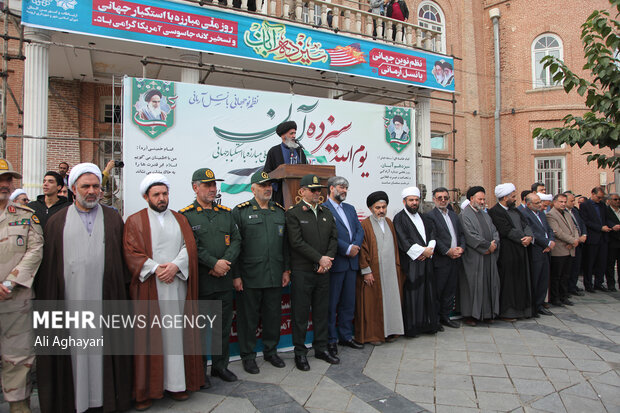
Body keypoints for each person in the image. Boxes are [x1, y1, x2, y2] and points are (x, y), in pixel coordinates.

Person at [35, 163, 132, 413]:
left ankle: (105, 400)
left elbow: (122, 263)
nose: (91, 191)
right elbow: (48, 270)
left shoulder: (112, 218)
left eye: (96, 186)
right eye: (85, 186)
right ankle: (74, 401)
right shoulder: (56, 222)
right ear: (72, 189)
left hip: (105, 301)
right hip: (70, 304)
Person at [123, 174, 204, 410]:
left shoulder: (180, 219)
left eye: (164, 194)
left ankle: (177, 385)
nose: (161, 198)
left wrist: (176, 266)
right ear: (146, 196)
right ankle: (147, 390)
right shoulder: (134, 221)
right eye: (156, 194)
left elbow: (188, 248)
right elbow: (130, 252)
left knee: (176, 336)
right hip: (150, 287)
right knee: (149, 339)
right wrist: (157, 268)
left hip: (176, 285)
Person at [180, 168, 241, 384]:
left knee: (222, 327)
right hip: (202, 282)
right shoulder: (185, 216)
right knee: (199, 329)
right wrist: (213, 263)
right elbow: (191, 246)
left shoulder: (226, 213)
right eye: (207, 185)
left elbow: (236, 240)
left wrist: (224, 263)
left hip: (223, 280)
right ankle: (200, 371)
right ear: (195, 187)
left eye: (214, 185)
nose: (212, 189)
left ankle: (220, 367)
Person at [232, 170, 290, 375]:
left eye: (270, 185)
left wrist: (285, 270)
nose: (268, 189)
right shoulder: (240, 211)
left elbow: (285, 245)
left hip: (275, 273)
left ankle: (270, 351)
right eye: (263, 185)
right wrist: (236, 275)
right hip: (250, 276)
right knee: (248, 318)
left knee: (273, 315)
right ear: (253, 188)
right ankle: (248, 356)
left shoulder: (279, 211)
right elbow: (235, 248)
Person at [0, 159, 44, 413]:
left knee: (18, 359)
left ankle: (19, 406)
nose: (6, 184)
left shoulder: (25, 216)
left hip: (15, 300)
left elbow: (35, 250)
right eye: (2, 179)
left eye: (9, 179)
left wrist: (9, 281)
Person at [286, 174, 339, 371]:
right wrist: (319, 259)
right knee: (300, 314)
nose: (317, 193)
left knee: (321, 311)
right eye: (313, 189)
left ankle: (321, 348)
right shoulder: (294, 213)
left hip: (323, 271)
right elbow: (296, 242)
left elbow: (334, 238)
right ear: (302, 191)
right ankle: (300, 353)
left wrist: (327, 260)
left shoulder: (326, 212)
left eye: (319, 190)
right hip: (302, 272)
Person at [322, 176, 365, 356]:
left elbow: (359, 230)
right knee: (332, 305)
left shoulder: (350, 208)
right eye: (341, 187)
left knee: (348, 303)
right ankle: (331, 340)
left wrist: (355, 246)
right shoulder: (324, 209)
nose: (344, 190)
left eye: (346, 188)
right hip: (337, 263)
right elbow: (326, 235)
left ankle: (346, 336)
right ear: (331, 188)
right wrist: (346, 248)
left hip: (351, 264)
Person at [356, 191, 404, 345]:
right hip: (373, 273)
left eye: (383, 207)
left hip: (390, 272)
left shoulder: (390, 222)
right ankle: (374, 335)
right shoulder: (364, 225)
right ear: (371, 209)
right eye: (377, 208)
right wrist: (366, 271)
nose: (381, 210)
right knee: (373, 304)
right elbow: (362, 250)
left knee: (391, 303)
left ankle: (391, 331)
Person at [393, 186, 439, 336]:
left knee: (428, 293)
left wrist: (429, 250)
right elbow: (403, 240)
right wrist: (421, 251)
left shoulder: (424, 217)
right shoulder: (399, 218)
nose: (414, 203)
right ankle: (413, 328)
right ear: (404, 201)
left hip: (426, 261)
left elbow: (432, 234)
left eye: (416, 200)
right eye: (411, 200)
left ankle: (428, 325)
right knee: (414, 295)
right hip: (412, 263)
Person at [488, 183, 533, 321]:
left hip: (521, 251)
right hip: (507, 253)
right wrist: (522, 238)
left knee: (521, 282)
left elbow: (526, 225)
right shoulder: (495, 211)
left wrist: (529, 237)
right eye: (513, 196)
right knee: (509, 283)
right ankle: (508, 313)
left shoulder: (516, 211)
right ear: (505, 197)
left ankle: (523, 310)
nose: (515, 199)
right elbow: (505, 230)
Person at [459, 186, 500, 326]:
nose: (482, 202)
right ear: (471, 199)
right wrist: (487, 246)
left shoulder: (485, 214)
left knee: (489, 284)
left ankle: (487, 313)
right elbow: (471, 236)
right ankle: (470, 315)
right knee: (473, 286)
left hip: (489, 256)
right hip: (474, 257)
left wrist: (494, 244)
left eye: (483, 199)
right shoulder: (464, 215)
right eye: (480, 199)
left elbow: (495, 231)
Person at [426, 187, 465, 329]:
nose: (443, 200)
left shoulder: (454, 215)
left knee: (450, 290)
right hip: (441, 260)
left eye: (445, 198)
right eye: (439, 198)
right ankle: (435, 320)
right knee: (438, 291)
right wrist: (447, 251)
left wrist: (461, 247)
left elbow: (461, 234)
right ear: (434, 199)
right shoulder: (430, 216)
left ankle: (445, 317)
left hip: (455, 258)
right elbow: (433, 237)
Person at [521, 192, 556, 314]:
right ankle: (534, 306)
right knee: (536, 278)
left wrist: (551, 241)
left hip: (546, 250)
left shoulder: (541, 213)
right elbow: (531, 232)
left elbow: (548, 229)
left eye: (540, 202)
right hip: (536, 250)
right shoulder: (524, 214)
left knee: (544, 278)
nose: (540, 204)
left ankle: (540, 303)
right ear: (529, 204)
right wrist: (546, 243)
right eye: (537, 203)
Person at [546, 193, 581, 307]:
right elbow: (557, 232)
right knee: (557, 276)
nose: (563, 204)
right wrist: (572, 240)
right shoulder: (551, 215)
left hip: (570, 249)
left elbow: (575, 228)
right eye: (561, 202)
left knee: (566, 275)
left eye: (565, 202)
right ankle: (555, 298)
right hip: (559, 249)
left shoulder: (567, 213)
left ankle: (563, 296)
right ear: (554, 202)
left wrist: (575, 240)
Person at [263, 121, 308, 205]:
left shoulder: (299, 151)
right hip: (281, 194)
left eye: (295, 133)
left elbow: (306, 170)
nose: (294, 136)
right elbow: (267, 173)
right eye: (291, 133)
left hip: (300, 193)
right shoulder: (274, 151)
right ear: (283, 135)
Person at [579, 186, 611, 292]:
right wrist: (600, 228)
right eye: (598, 197)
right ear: (592, 194)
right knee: (590, 262)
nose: (600, 199)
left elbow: (606, 219)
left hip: (603, 238)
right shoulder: (584, 205)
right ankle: (588, 284)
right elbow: (585, 221)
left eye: (601, 198)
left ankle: (599, 283)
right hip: (592, 238)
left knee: (602, 262)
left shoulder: (602, 205)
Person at [564, 192, 587, 296]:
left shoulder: (575, 211)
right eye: (571, 201)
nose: (574, 203)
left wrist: (584, 235)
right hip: (570, 243)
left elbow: (581, 224)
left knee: (577, 266)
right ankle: (568, 288)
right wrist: (576, 239)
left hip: (579, 243)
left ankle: (573, 286)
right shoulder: (563, 212)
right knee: (569, 268)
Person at [605, 193, 620, 291]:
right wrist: (612, 227)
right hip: (612, 241)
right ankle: (611, 284)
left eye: (618, 199)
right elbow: (605, 222)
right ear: (610, 200)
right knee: (610, 264)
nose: (617, 201)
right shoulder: (606, 211)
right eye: (615, 199)